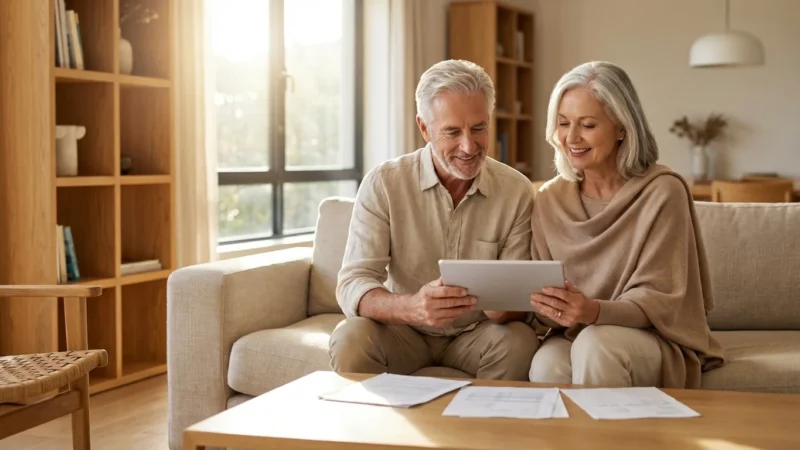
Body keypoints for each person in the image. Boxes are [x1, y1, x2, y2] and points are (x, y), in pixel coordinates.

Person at [329, 59, 538, 381]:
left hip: (477, 334)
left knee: (520, 342)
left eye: (479, 128)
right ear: (424, 128)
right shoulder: (384, 183)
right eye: (452, 132)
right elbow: (353, 283)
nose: (469, 146)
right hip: (402, 332)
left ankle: (489, 430)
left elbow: (518, 303)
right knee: (350, 337)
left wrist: (506, 306)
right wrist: (411, 307)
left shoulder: (517, 191)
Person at [527, 61, 725, 388]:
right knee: (545, 363)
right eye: (563, 123)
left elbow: (660, 301)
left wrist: (591, 311)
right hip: (575, 335)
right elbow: (543, 305)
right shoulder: (548, 199)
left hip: (650, 337)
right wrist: (549, 306)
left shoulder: (662, 191)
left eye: (588, 125)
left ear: (622, 127)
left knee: (596, 346)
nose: (571, 137)